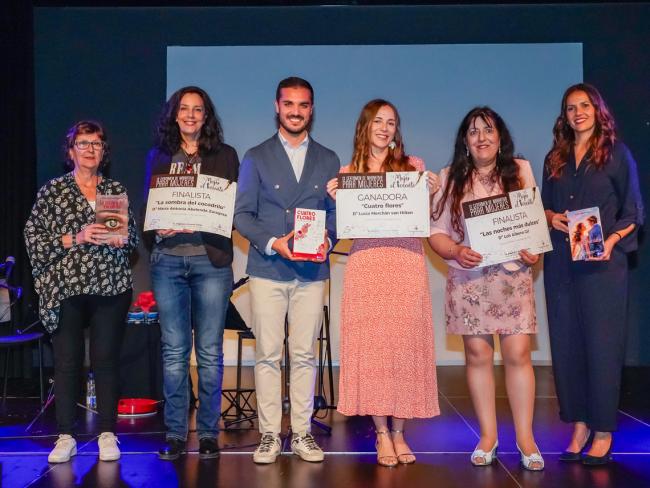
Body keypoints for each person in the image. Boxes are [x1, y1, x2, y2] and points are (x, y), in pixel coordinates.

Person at [428, 107, 544, 471]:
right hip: (469, 280)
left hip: (512, 278)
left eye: (488, 130)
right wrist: (455, 250)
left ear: (500, 137)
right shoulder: (449, 178)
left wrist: (534, 251)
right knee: (477, 357)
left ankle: (526, 439)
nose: (481, 137)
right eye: (474, 132)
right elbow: (436, 233)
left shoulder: (521, 171)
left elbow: (534, 224)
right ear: (465, 140)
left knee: (518, 355)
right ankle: (488, 436)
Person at [326, 99, 440, 467]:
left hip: (405, 262)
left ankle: (401, 431)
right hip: (367, 266)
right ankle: (380, 433)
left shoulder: (413, 168)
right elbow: (342, 229)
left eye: (392, 122)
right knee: (373, 350)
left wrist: (431, 191)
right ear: (365, 126)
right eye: (378, 121)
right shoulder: (348, 173)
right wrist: (336, 200)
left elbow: (427, 218)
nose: (385, 128)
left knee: (404, 347)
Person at [234, 76, 340, 464]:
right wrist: (274, 242)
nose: (296, 111)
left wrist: (327, 240)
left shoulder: (329, 158)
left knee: (304, 354)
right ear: (277, 107)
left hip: (312, 272)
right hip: (268, 267)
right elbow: (242, 216)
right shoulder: (255, 156)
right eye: (289, 104)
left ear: (312, 109)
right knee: (267, 353)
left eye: (304, 105)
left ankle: (302, 432)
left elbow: (336, 215)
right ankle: (267, 435)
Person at [24, 120, 137, 463]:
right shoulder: (53, 191)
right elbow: (34, 239)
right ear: (71, 150)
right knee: (68, 361)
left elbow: (129, 241)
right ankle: (65, 436)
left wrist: (122, 239)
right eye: (83, 144)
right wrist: (78, 237)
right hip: (66, 286)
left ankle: (107, 433)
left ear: (104, 152)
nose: (90, 150)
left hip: (110, 285)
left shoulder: (114, 190)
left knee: (105, 360)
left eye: (97, 144)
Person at [542, 83, 643, 465]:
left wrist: (611, 240)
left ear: (597, 110)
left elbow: (634, 213)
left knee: (601, 348)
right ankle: (579, 425)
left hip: (603, 267)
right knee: (567, 347)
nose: (577, 113)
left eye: (584, 105)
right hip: (562, 264)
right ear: (564, 116)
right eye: (570, 108)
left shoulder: (617, 154)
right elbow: (544, 209)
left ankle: (602, 431)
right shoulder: (555, 158)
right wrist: (552, 217)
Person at [143, 86, 239, 460]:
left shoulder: (226, 155)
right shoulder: (159, 155)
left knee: (211, 352)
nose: (191, 115)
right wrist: (156, 227)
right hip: (168, 261)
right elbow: (148, 207)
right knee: (174, 352)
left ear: (206, 116)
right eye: (184, 109)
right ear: (174, 114)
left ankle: (210, 434)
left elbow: (230, 206)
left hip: (210, 262)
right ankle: (176, 434)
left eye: (198, 110)